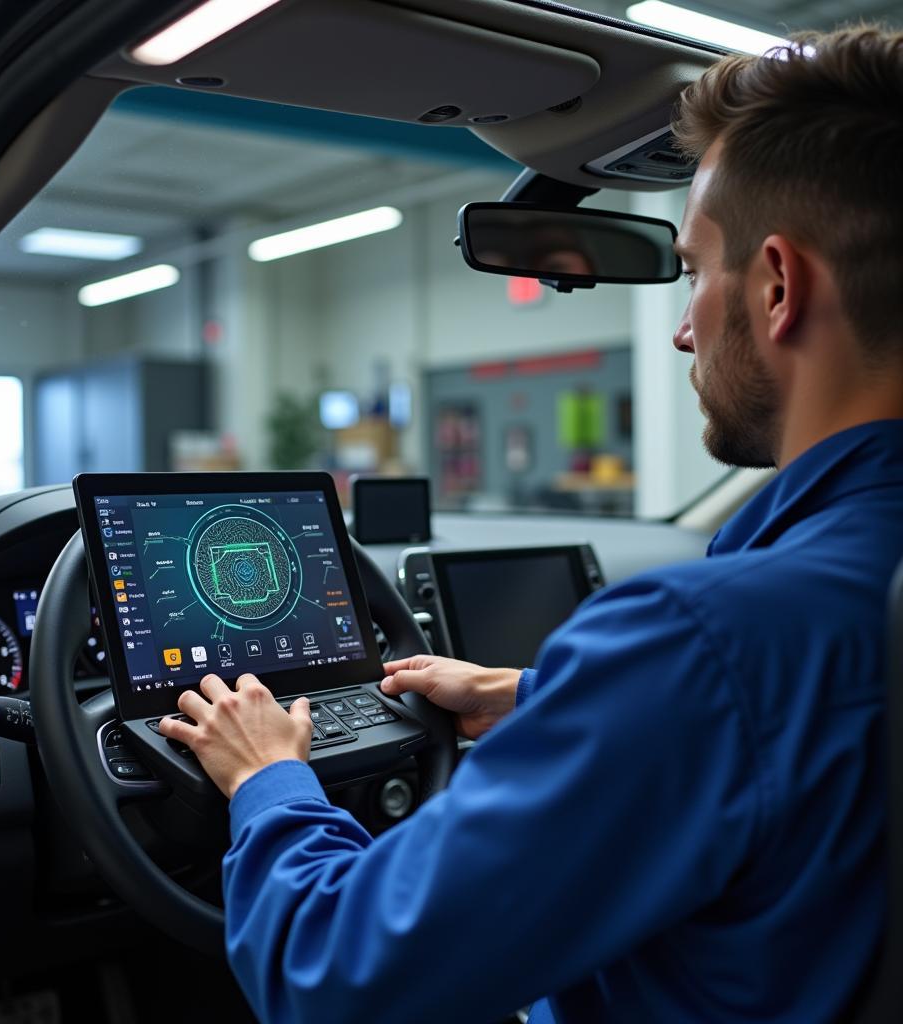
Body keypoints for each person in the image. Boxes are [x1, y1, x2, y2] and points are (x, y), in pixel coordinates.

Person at [158, 26, 903, 1023]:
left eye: (692, 270)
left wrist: (267, 778)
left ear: (776, 285)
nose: (684, 326)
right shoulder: (803, 624)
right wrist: (547, 693)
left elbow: (331, 973)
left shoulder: (702, 641)